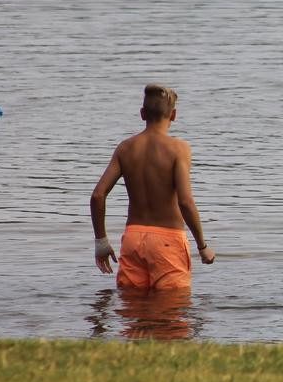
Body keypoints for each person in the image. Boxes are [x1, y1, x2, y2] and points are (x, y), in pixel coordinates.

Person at [90, 84, 215, 290]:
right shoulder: (178, 149)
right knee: (172, 313)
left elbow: (98, 195)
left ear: (142, 114)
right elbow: (185, 201)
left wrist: (101, 242)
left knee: (133, 311)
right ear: (173, 115)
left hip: (133, 239)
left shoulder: (126, 148)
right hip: (168, 241)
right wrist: (202, 246)